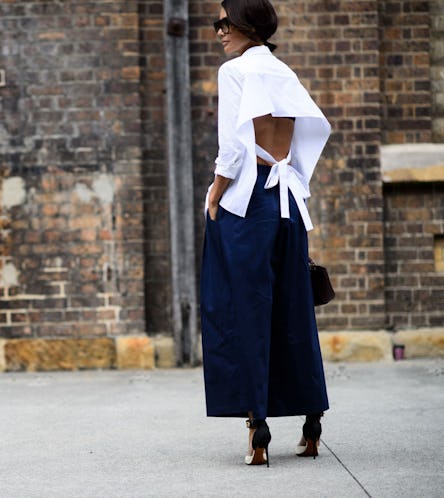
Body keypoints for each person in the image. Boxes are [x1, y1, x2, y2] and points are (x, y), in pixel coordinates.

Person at [200, 0, 331, 467]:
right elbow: (304, 139)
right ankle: (312, 424)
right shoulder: (283, 73)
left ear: (248, 26)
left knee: (241, 310)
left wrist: (215, 192)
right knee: (294, 307)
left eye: (225, 23)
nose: (219, 32)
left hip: (249, 203)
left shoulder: (234, 72)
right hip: (287, 202)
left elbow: (233, 146)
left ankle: (258, 428)